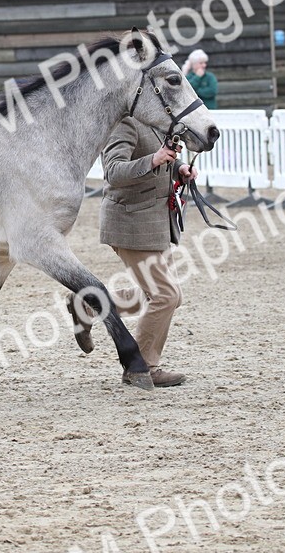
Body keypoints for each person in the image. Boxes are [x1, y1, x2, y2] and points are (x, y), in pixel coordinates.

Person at [66, 117, 197, 387]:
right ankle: (141, 366)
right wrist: (154, 160)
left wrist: (178, 168)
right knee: (166, 296)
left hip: (156, 223)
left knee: (169, 296)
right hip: (131, 224)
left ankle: (89, 303)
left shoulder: (156, 122)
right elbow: (114, 171)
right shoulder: (124, 124)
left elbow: (160, 164)